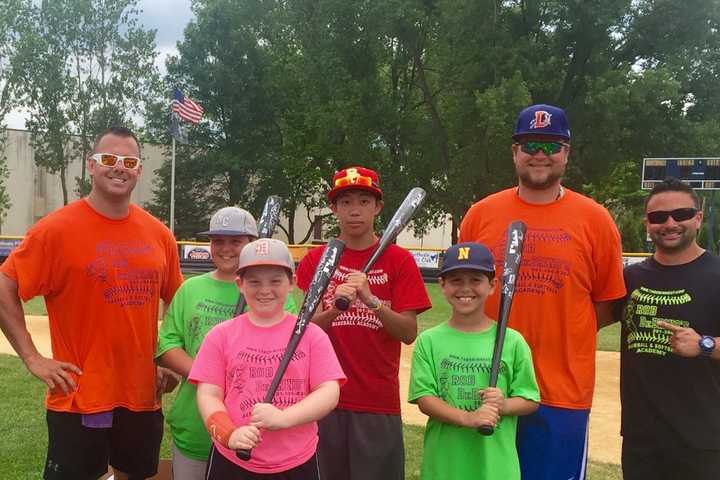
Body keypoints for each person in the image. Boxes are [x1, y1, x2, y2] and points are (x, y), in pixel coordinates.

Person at [0, 126, 184, 480]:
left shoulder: (159, 235)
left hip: (142, 394)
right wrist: (32, 358)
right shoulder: (56, 230)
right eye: (109, 159)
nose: (119, 167)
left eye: (129, 161)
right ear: (91, 165)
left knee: (136, 474)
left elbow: (177, 302)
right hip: (79, 394)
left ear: (139, 170)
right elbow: (4, 284)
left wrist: (171, 364)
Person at [459, 104, 625, 480]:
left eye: (551, 145)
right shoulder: (481, 214)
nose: (540, 154)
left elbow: (608, 303)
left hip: (561, 391)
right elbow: (464, 293)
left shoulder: (595, 219)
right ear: (514, 151)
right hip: (486, 388)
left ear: (567, 152)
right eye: (530, 143)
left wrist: (564, 330)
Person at [295, 166, 432, 480]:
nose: (354, 210)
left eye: (364, 201)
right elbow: (302, 332)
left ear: (378, 207)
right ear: (334, 208)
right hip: (321, 398)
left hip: (376, 401)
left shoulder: (399, 260)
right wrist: (335, 310)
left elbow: (408, 333)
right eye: (345, 202)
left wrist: (371, 301)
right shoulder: (318, 260)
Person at [156, 207, 298, 479]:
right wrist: (208, 376)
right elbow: (167, 347)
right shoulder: (191, 289)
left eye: (236, 241)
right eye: (218, 241)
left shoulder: (268, 293)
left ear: (251, 244)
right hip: (196, 423)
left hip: (252, 429)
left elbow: (287, 348)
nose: (226, 249)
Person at [188, 238, 345, 479]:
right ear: (239, 284)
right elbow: (209, 394)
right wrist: (228, 433)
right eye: (254, 281)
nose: (264, 290)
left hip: (296, 461)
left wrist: (283, 418)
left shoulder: (312, 335)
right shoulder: (221, 335)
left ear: (291, 283)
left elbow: (329, 392)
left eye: (275, 281)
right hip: (233, 460)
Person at [615, 178, 720, 480]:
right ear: (648, 224)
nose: (669, 223)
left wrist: (704, 345)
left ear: (698, 218)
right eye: (658, 217)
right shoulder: (630, 278)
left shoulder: (716, 275)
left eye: (681, 214)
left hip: (702, 440)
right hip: (641, 439)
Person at [409, 242, 539, 479]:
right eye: (456, 280)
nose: (465, 288)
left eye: (476, 280)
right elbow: (425, 399)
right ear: (442, 285)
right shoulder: (429, 341)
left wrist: (504, 405)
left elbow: (530, 399)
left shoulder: (512, 341)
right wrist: (469, 418)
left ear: (492, 286)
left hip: (496, 468)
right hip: (445, 466)